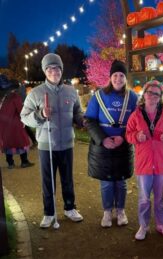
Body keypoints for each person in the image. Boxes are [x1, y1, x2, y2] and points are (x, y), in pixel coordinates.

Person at [20, 53, 84, 228]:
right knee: (48, 181)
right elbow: (24, 117)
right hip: (46, 145)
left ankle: (70, 208)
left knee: (67, 179)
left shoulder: (71, 92)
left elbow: (77, 112)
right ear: (45, 71)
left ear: (61, 70)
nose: (53, 71)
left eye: (56, 68)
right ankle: (49, 213)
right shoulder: (36, 93)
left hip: (67, 144)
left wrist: (81, 120)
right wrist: (40, 114)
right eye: (49, 69)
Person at [84, 60, 138, 228]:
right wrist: (103, 139)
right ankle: (107, 212)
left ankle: (120, 211)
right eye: (115, 75)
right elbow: (89, 120)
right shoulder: (99, 96)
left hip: (123, 145)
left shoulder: (133, 97)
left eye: (121, 75)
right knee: (107, 182)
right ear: (110, 77)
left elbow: (136, 122)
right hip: (103, 148)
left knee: (121, 181)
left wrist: (123, 137)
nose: (118, 78)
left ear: (126, 78)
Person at [126, 80, 163, 240]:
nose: (152, 96)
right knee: (143, 198)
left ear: (160, 97)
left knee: (160, 198)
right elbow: (128, 134)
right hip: (144, 164)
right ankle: (144, 225)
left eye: (156, 93)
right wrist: (136, 136)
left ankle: (161, 225)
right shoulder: (135, 115)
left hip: (161, 163)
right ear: (144, 94)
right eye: (150, 92)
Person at [0, 81, 34, 169]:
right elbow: (21, 111)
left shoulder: (4, 98)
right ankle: (24, 161)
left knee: (8, 143)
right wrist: (25, 120)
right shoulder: (15, 97)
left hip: (4, 124)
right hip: (15, 124)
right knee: (21, 142)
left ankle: (10, 163)